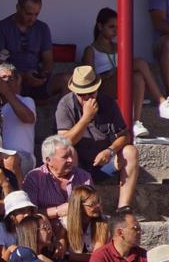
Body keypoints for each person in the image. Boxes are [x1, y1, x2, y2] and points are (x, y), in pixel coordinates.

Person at [83, 7, 169, 138]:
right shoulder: (91, 50)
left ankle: (136, 122)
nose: (115, 31)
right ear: (100, 26)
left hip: (121, 83)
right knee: (139, 62)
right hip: (103, 88)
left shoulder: (118, 47)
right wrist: (109, 74)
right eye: (111, 27)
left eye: (117, 27)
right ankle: (161, 101)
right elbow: (88, 80)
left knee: (138, 77)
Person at [56, 66, 139, 209]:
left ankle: (123, 207)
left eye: (90, 93)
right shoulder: (65, 105)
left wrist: (110, 150)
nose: (87, 98)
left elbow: (125, 135)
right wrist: (86, 118)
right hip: (77, 164)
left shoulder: (107, 103)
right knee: (69, 151)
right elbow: (64, 142)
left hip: (103, 161)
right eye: (82, 94)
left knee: (130, 152)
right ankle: (77, 205)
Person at [0, 0, 65, 100]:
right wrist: (23, 76)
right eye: (28, 14)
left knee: (66, 80)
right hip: (13, 80)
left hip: (35, 79)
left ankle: (63, 115)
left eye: (36, 14)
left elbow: (48, 60)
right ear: (18, 8)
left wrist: (43, 74)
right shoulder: (1, 28)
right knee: (10, 79)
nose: (32, 18)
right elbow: (0, 63)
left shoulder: (42, 28)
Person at [21, 135, 93, 222]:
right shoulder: (34, 178)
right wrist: (58, 211)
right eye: (65, 157)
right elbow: (30, 213)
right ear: (48, 160)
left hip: (78, 228)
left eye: (71, 155)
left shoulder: (84, 177)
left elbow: (92, 205)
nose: (70, 160)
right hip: (46, 229)